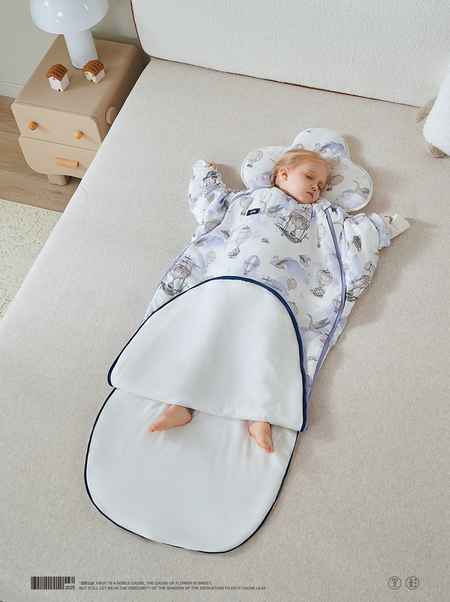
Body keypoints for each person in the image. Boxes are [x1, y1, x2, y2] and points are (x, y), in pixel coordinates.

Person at [149, 150, 335, 453]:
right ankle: (181, 403)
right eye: (310, 177)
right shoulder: (249, 199)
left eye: (322, 185)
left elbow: (342, 238)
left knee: (267, 349)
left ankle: (260, 416)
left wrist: (381, 228)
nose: (316, 187)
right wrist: (205, 175)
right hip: (229, 279)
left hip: (277, 295)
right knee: (208, 335)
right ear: (283, 174)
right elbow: (212, 204)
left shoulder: (318, 217)